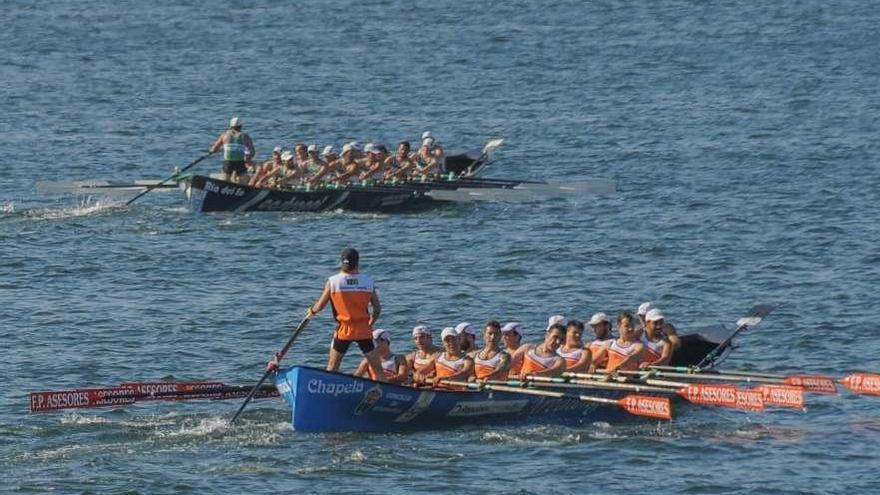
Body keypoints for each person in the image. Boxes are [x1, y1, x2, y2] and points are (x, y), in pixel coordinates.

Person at [276, 247, 385, 381]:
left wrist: (311, 310)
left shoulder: (333, 282)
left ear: (342, 263)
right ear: (357, 263)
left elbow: (320, 306)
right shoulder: (368, 281)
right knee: (377, 369)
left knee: (333, 367)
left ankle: (327, 389)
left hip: (344, 331)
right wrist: (370, 323)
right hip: (364, 330)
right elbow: (377, 308)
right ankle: (383, 393)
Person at [210, 117, 255, 184]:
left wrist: (212, 151)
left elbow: (214, 149)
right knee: (243, 181)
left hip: (228, 162)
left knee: (224, 180)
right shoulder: (245, 136)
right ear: (241, 126)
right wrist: (247, 158)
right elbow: (252, 151)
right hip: (240, 162)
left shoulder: (224, 135)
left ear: (231, 126)